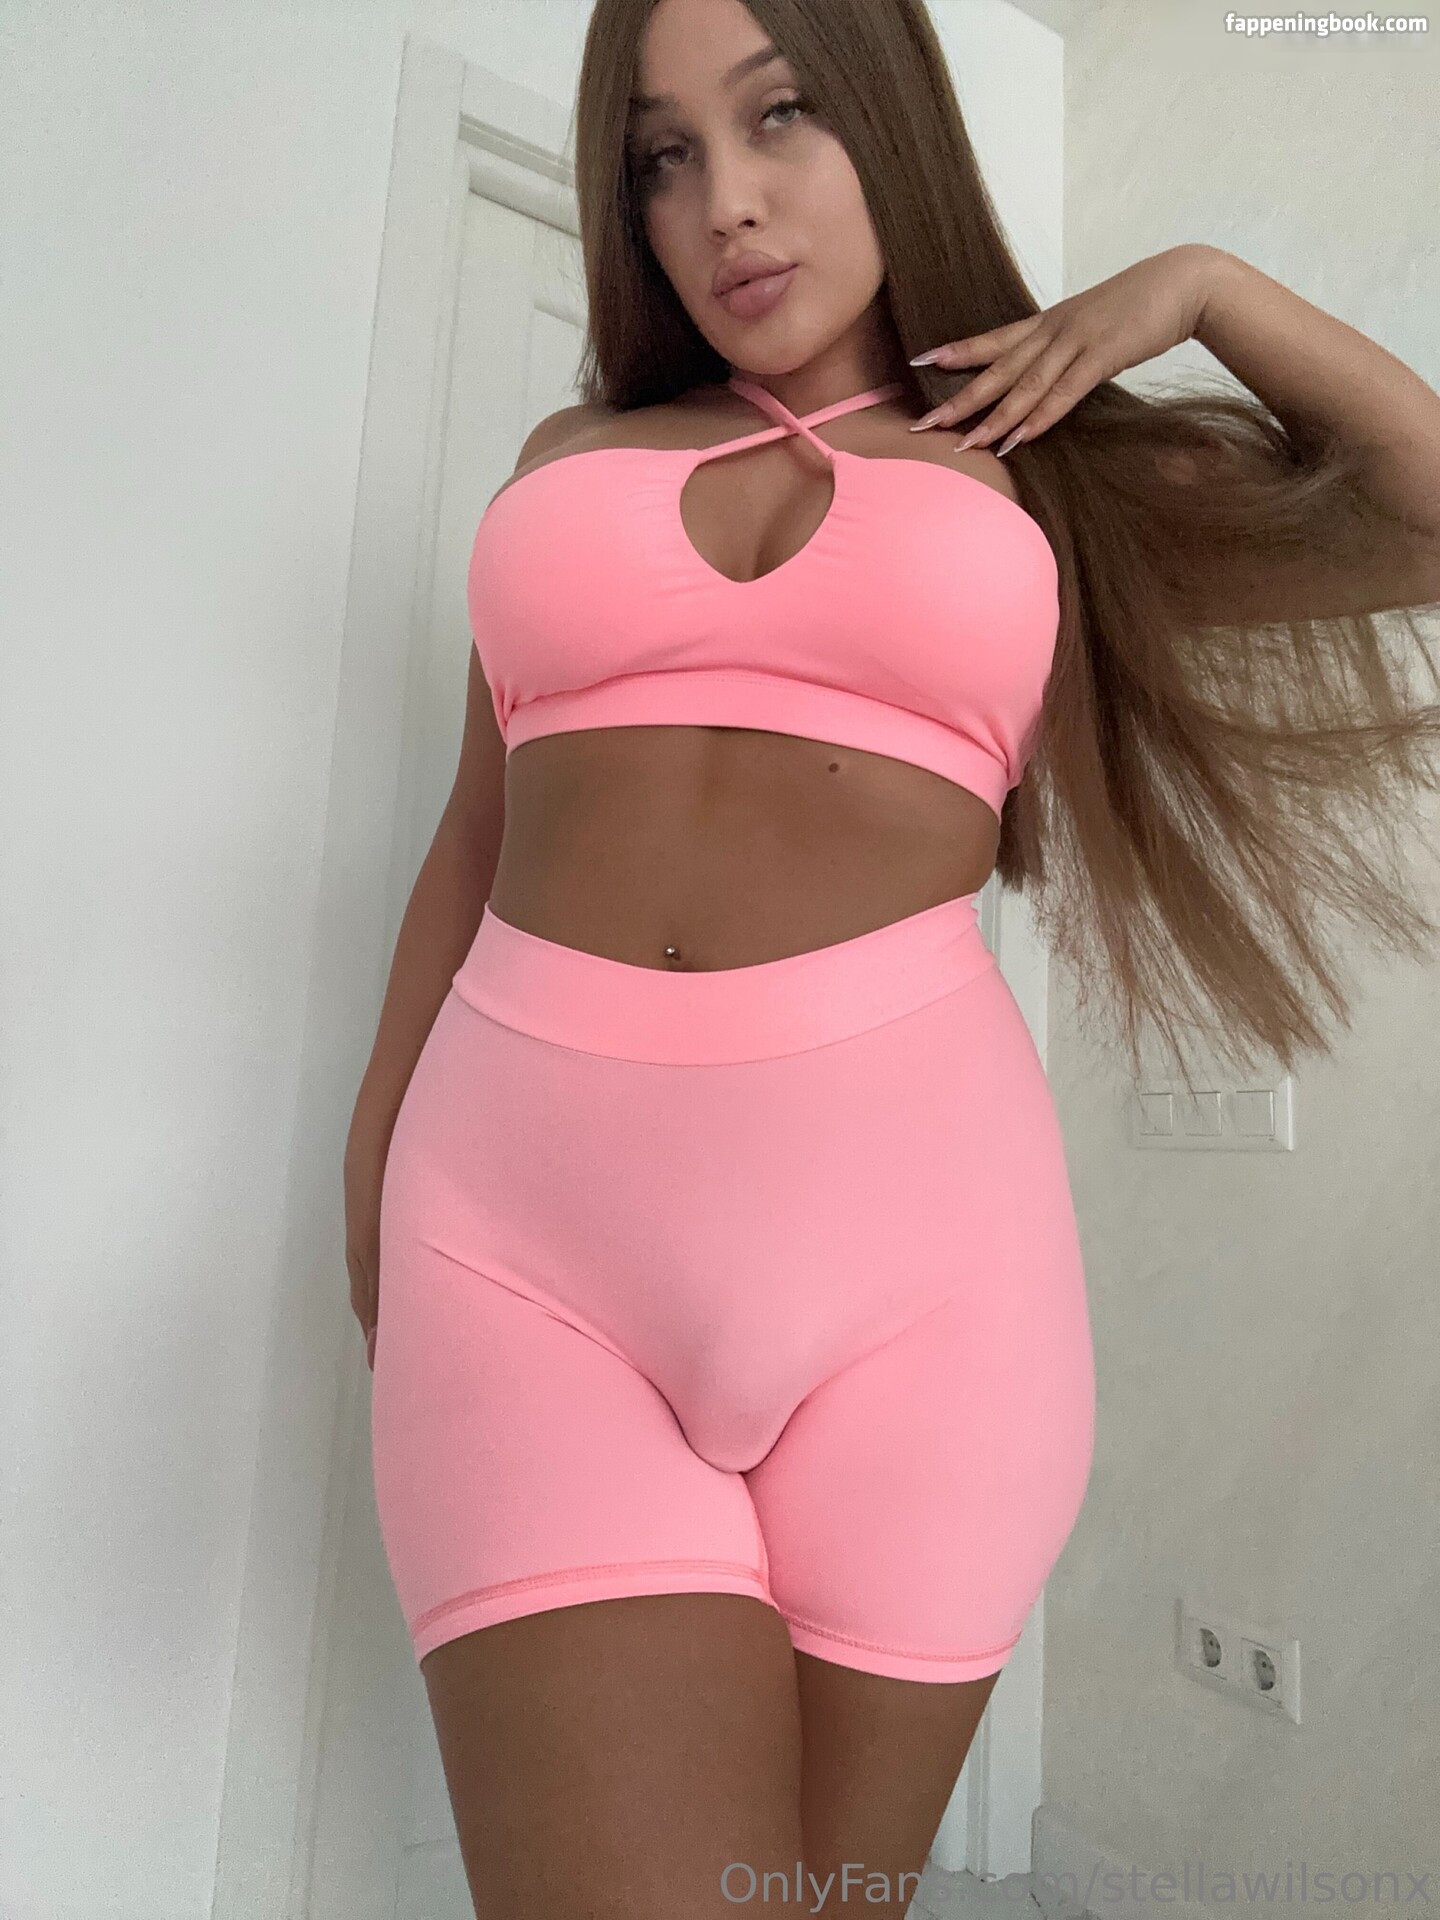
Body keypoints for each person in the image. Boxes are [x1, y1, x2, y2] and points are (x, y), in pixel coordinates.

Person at [342, 0, 1440, 1913]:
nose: (725, 203)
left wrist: (1197, 286)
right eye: (664, 154)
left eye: (782, 118)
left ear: (895, 125)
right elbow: (476, 834)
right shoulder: (569, 450)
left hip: (925, 1298)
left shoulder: (1056, 474)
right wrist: (368, 1175)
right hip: (516, 1258)